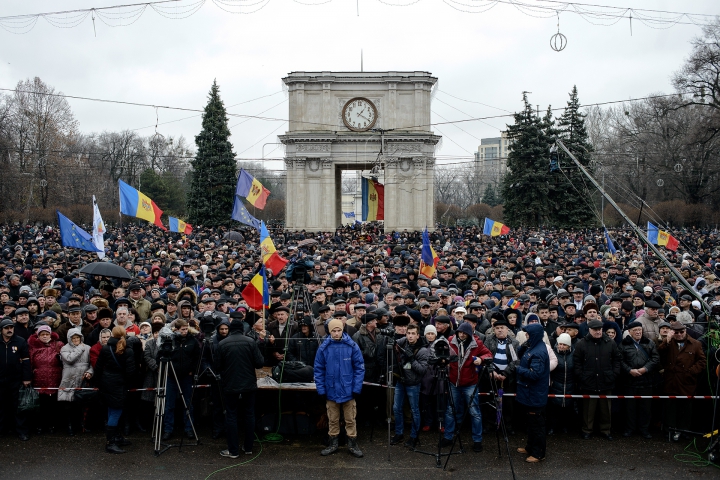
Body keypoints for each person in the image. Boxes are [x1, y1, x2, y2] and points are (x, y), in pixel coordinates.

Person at [314, 318, 365, 458]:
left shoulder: (352, 346)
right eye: (333, 331)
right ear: (329, 332)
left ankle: (353, 444)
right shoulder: (323, 348)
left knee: (350, 419)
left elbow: (359, 368)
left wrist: (356, 388)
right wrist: (322, 390)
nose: (336, 333)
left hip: (349, 390)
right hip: (331, 390)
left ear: (342, 330)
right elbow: (318, 371)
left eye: (339, 330)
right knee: (333, 419)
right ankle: (333, 444)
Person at [440, 321, 492, 453]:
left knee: (474, 412)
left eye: (464, 333)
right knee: (451, 411)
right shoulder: (450, 340)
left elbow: (488, 354)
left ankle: (477, 440)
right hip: (454, 382)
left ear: (469, 334)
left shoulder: (477, 343)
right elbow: (442, 353)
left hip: (470, 383)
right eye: (460, 332)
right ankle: (448, 437)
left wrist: (481, 359)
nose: (462, 335)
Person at [217, 320, 264, 458]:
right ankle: (248, 447)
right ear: (242, 329)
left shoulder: (222, 343)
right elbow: (260, 363)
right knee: (249, 414)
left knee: (231, 415)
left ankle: (233, 450)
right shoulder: (250, 342)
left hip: (230, 384)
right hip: (249, 384)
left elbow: (217, 366)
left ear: (230, 329)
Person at [573, 319, 621, 441]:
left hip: (606, 380)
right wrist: (582, 376)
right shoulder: (581, 343)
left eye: (600, 329)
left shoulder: (610, 342)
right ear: (589, 330)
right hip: (588, 381)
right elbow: (577, 362)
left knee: (606, 409)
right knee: (588, 409)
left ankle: (605, 430)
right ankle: (587, 430)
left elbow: (617, 360)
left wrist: (614, 374)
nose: (598, 332)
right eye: (595, 330)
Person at [658, 321, 706, 442]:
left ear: (685, 331)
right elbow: (660, 354)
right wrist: (667, 341)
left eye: (681, 332)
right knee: (670, 408)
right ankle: (670, 431)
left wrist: (691, 372)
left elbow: (702, 362)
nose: (679, 335)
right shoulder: (669, 343)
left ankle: (684, 431)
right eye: (676, 332)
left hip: (687, 382)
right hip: (671, 381)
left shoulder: (695, 344)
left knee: (685, 409)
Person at [94, 326, 136, 454]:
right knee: (116, 412)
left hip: (106, 382)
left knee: (111, 410)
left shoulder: (106, 348)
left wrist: (96, 383)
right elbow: (130, 372)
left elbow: (99, 367)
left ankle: (116, 437)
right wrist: (129, 384)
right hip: (119, 384)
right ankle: (110, 442)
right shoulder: (128, 350)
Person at [515, 323, 550, 463]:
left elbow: (535, 374)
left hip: (535, 394)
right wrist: (522, 347)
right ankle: (530, 447)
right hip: (528, 393)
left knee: (537, 425)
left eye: (528, 334)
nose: (526, 336)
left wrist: (518, 369)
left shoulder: (539, 352)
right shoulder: (532, 347)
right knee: (530, 424)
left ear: (534, 335)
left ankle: (538, 453)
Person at [390, 323, 429, 449]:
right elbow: (395, 341)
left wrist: (412, 359)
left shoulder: (423, 350)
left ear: (418, 335)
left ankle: (414, 436)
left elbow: (422, 370)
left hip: (413, 383)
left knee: (414, 411)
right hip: (401, 381)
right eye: (408, 333)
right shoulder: (403, 343)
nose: (410, 336)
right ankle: (399, 433)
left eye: (413, 334)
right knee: (396, 408)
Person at [162, 318, 200, 441]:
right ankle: (168, 429)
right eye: (182, 329)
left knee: (188, 403)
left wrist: (192, 370)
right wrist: (166, 371)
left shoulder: (192, 341)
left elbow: (197, 357)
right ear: (176, 330)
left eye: (186, 329)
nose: (185, 331)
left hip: (186, 377)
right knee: (169, 404)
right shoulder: (170, 341)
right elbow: (163, 355)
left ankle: (189, 428)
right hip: (172, 376)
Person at [619, 321, 659, 439]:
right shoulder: (623, 344)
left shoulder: (649, 343)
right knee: (630, 408)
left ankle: (644, 429)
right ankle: (630, 429)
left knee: (645, 408)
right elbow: (620, 360)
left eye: (639, 330)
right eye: (635, 330)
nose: (638, 332)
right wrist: (629, 370)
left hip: (646, 381)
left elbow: (655, 358)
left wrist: (645, 369)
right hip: (630, 381)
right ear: (630, 332)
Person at [28, 324, 64, 434]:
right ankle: (40, 425)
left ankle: (52, 425)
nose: (44, 336)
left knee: (53, 404)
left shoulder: (58, 345)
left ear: (50, 335)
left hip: (55, 378)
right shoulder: (33, 347)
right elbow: (29, 362)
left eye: (46, 334)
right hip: (39, 379)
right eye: (42, 334)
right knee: (40, 405)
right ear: (38, 335)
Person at [0, 318, 32, 441]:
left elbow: (26, 360)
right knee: (1, 406)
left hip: (16, 379)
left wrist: (26, 378)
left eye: (11, 328)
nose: (9, 330)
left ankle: (22, 431)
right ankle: (2, 429)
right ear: (1, 330)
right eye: (6, 328)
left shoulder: (20, 341)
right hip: (0, 379)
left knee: (18, 407)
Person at [58, 328, 93, 436]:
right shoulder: (64, 348)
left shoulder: (88, 348)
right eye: (73, 338)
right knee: (69, 404)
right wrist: (79, 349)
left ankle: (82, 425)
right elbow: (69, 359)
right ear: (69, 339)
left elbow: (92, 363)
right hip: (69, 379)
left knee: (81, 404)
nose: (76, 339)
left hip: (82, 378)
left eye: (78, 337)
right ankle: (70, 426)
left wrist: (90, 372)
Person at [547, 333, 575, 435]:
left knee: (567, 408)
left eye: (564, 344)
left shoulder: (574, 354)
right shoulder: (553, 354)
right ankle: (552, 427)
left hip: (570, 384)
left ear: (569, 346)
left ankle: (564, 426)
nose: (561, 346)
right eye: (560, 344)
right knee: (554, 408)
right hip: (556, 383)